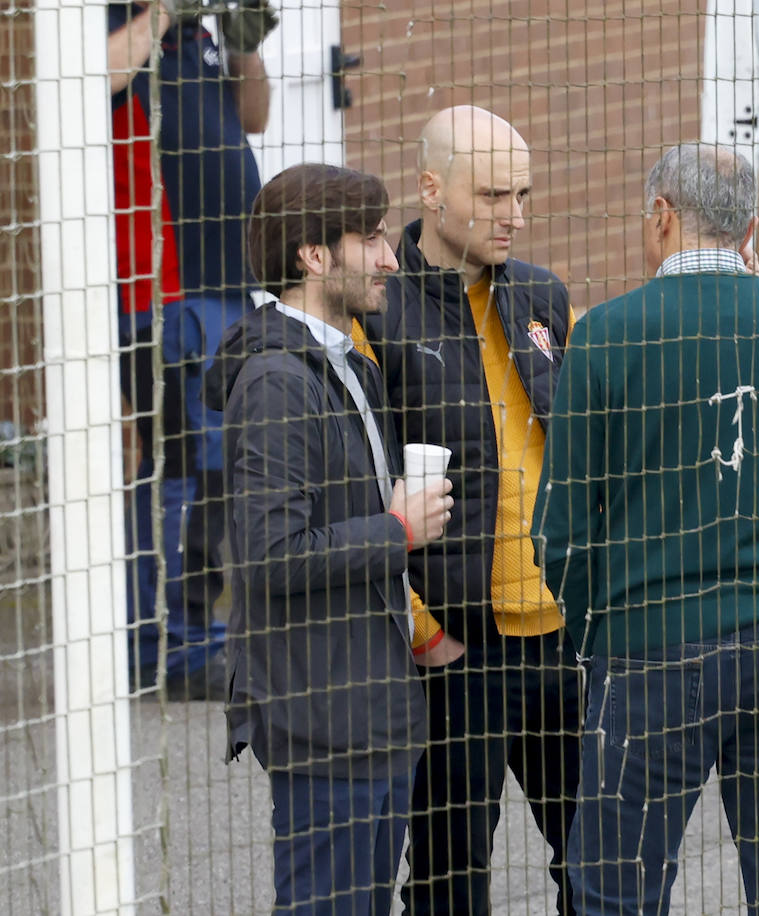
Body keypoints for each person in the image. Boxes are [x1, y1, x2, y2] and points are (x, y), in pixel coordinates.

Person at [532, 142, 759, 916]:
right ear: (751, 226)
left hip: (647, 649)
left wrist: (597, 629)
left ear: (661, 215)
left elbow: (560, 529)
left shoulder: (605, 335)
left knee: (617, 891)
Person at [202, 163, 454, 914]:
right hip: (325, 724)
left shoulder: (347, 364)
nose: (390, 257)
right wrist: (397, 529)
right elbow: (272, 554)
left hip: (371, 716)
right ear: (314, 256)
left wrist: (419, 630)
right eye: (371, 238)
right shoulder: (279, 378)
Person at [364, 105, 581, 914]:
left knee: (600, 861)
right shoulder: (383, 310)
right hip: (458, 646)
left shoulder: (540, 295)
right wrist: (422, 626)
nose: (514, 215)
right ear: (430, 188)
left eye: (523, 194)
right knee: (452, 879)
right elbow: (368, 479)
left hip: (561, 634)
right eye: (492, 194)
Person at [107, 0, 276, 699]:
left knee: (214, 472)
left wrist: (243, 46)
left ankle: (189, 639)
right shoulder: (110, 23)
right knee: (185, 471)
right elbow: (93, 79)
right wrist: (163, 13)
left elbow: (256, 115)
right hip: (164, 292)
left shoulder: (200, 36)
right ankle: (173, 652)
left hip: (228, 284)